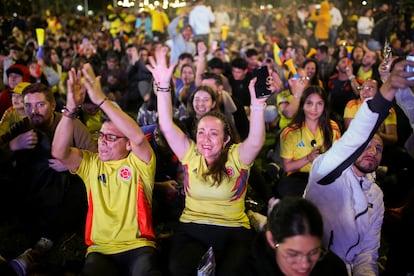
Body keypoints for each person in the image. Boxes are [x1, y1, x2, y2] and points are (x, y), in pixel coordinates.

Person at [147, 45, 269, 276]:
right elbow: (165, 124)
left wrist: (259, 105)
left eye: (214, 133)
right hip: (192, 227)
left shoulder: (236, 156)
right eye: (201, 132)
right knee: (179, 268)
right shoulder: (190, 153)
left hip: (233, 228)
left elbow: (256, 140)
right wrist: (163, 87)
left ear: (226, 139)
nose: (205, 139)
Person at [303, 57, 414, 275]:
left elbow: (368, 252)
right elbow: (357, 134)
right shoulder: (326, 171)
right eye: (367, 146)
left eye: (379, 149)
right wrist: (388, 87)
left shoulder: (376, 195)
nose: (373, 151)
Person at [51, 64, 162, 276]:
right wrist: (70, 110)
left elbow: (138, 136)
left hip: (139, 246)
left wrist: (101, 99)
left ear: (127, 144)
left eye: (111, 137)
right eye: (101, 135)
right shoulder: (91, 164)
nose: (102, 142)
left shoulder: (140, 163)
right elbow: (59, 152)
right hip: (100, 250)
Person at [0, 82, 97, 275]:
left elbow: (96, 159)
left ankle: (45, 237)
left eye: (40, 105)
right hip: (31, 187)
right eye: (28, 106)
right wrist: (12, 145)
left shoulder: (72, 125)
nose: (33, 111)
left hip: (64, 191)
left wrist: (72, 162)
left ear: (52, 105)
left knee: (80, 193)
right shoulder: (23, 126)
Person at [249, 196, 348, 276]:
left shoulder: (334, 268)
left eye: (313, 252)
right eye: (293, 254)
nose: (305, 265)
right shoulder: (244, 269)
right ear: (272, 240)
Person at [277, 85, 341, 198]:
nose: (314, 109)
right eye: (309, 103)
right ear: (302, 105)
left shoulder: (333, 127)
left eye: (319, 104)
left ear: (325, 106)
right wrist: (308, 158)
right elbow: (287, 167)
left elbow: (338, 157)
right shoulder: (290, 132)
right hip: (299, 177)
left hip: (325, 175)